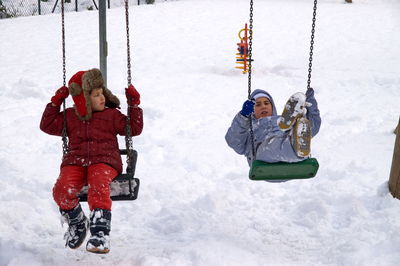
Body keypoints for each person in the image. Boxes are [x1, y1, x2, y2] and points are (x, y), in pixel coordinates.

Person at [40, 68, 143, 254]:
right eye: (96, 95)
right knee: (62, 190)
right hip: (76, 162)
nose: (102, 97)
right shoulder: (71, 116)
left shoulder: (111, 115)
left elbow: (133, 128)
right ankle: (77, 221)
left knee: (98, 180)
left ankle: (100, 232)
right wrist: (55, 102)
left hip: (105, 162)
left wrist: (134, 104)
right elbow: (46, 125)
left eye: (102, 92)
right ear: (83, 100)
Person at [225, 88, 321, 167]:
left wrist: (312, 107)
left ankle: (298, 130)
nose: (263, 107)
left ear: (272, 106)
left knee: (293, 129)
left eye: (266, 103)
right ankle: (297, 146)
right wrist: (243, 117)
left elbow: (313, 128)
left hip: (291, 155)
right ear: (251, 110)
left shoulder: (281, 120)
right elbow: (234, 141)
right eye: (258, 105)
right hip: (263, 160)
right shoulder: (249, 127)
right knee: (271, 146)